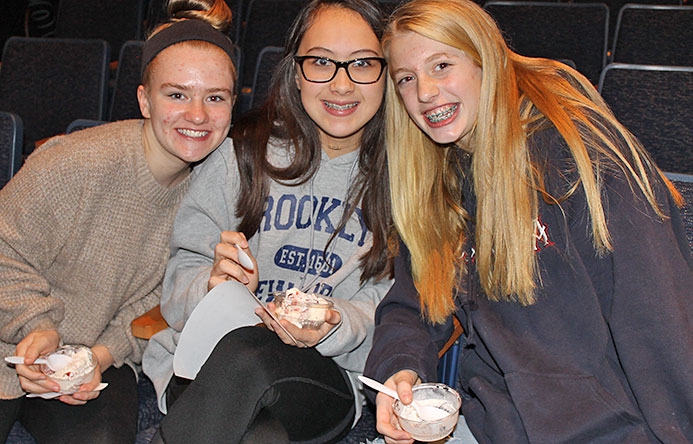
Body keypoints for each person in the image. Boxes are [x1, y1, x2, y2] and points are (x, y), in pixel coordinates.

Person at [363, 0, 693, 443]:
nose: (424, 91)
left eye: (441, 65)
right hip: (493, 424)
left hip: (612, 429)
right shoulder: (441, 184)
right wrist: (400, 367)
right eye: (406, 78)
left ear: (488, 62)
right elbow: (413, 304)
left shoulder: (581, 158)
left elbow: (658, 320)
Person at [142, 0, 393, 442]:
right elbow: (176, 289)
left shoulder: (405, 180)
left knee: (251, 351)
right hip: (207, 366)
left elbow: (396, 311)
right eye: (320, 62)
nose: (341, 83)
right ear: (296, 72)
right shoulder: (239, 155)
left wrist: (335, 321)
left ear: (387, 73)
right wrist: (211, 285)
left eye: (362, 64)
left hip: (322, 378)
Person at [0, 1, 237, 442]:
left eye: (215, 97)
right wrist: (37, 326)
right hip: (9, 338)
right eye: (177, 94)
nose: (198, 115)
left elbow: (160, 308)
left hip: (92, 359)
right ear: (145, 100)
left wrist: (100, 356)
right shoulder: (75, 164)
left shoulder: (214, 194)